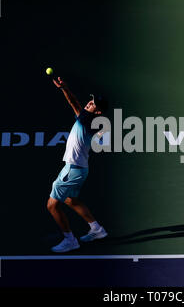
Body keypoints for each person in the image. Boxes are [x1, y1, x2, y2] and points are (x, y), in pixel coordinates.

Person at [47, 77, 108, 253]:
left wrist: (64, 88)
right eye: (91, 100)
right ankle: (97, 230)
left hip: (73, 168)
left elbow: (74, 103)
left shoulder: (89, 120)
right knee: (70, 200)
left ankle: (69, 240)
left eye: (93, 103)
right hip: (79, 169)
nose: (90, 103)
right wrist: (64, 88)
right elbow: (76, 106)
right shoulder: (88, 119)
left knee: (51, 205)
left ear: (98, 112)